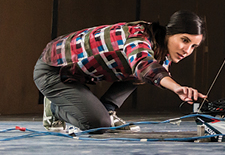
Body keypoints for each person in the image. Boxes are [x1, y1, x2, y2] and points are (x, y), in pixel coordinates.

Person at [33, 10, 208, 132]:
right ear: (169, 32)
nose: (187, 50)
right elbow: (144, 65)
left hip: (76, 75)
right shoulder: (139, 37)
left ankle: (108, 110)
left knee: (142, 74)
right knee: (97, 124)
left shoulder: (161, 48)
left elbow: (154, 70)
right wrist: (177, 88)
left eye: (194, 46)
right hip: (54, 71)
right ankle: (55, 109)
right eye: (184, 40)